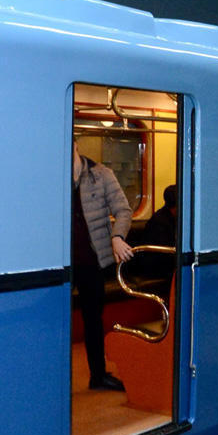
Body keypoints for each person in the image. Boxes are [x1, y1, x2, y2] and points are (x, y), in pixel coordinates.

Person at [72, 142, 133, 391]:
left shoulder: (102, 175)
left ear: (75, 146)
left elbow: (124, 210)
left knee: (93, 320)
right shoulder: (48, 179)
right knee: (52, 322)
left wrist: (117, 236)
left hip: (91, 261)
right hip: (61, 265)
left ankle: (98, 376)